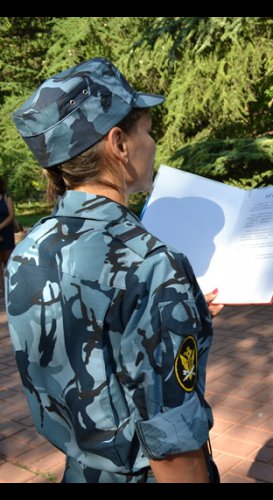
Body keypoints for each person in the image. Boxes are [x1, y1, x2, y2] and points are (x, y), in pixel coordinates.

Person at [7, 57, 224, 483]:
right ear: (119, 144)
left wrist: (182, 317)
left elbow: (94, 338)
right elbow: (174, 450)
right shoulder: (152, 264)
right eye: (146, 129)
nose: (153, 140)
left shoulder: (28, 248)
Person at [0, 176, 17, 275]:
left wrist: (0, 226)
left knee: (8, 262)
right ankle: (2, 289)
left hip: (6, 233)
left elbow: (11, 216)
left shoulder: (6, 197)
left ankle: (10, 288)